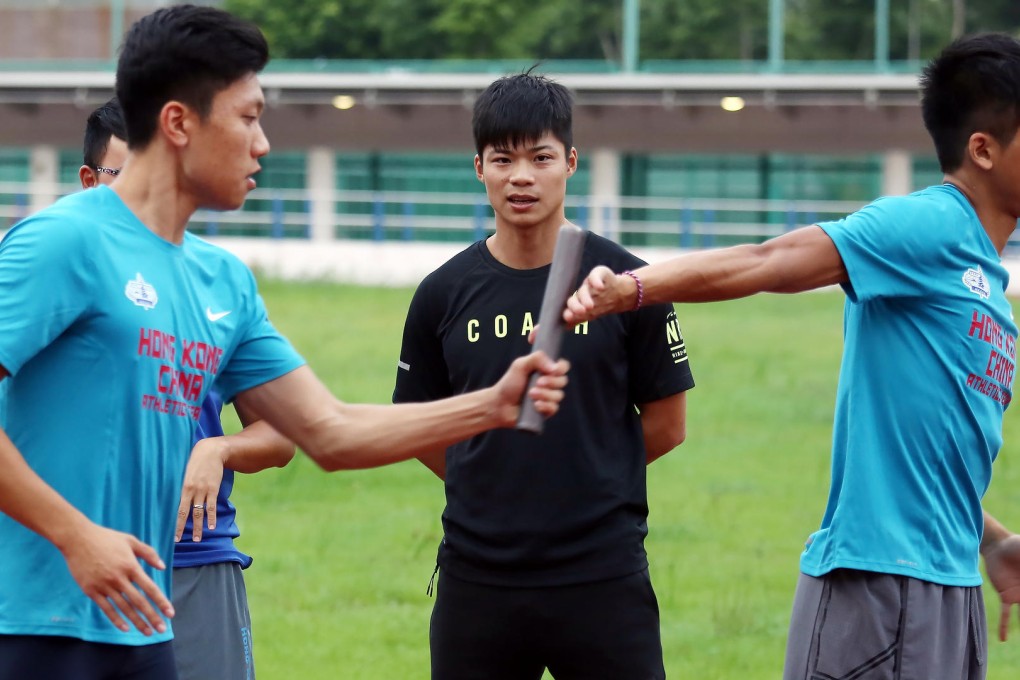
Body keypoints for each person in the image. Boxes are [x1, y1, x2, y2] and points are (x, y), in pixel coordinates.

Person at [0, 6, 568, 680]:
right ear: (179, 123)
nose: (263, 143)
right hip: (30, 626)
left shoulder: (223, 282)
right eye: (247, 117)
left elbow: (329, 430)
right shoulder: (63, 241)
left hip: (143, 632)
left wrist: (493, 405)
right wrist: (75, 537)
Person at [564, 32, 1020, 679]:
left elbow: (924, 446)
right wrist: (630, 288)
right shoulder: (930, 225)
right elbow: (769, 260)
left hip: (951, 589)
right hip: (878, 588)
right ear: (984, 150)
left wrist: (993, 541)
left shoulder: (984, 277)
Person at [393, 72, 694, 680]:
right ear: (479, 166)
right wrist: (490, 481)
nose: (521, 176)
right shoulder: (442, 294)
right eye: (503, 159)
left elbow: (667, 424)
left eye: (540, 157)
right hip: (477, 581)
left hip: (602, 576)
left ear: (571, 162)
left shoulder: (627, 282)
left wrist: (589, 476)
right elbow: (417, 427)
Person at [80, 97, 295, 680]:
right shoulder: (55, 265)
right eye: (124, 176)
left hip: (196, 560)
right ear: (88, 180)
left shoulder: (221, 281)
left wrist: (218, 448)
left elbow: (285, 432)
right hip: (75, 561)